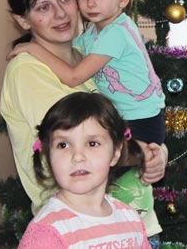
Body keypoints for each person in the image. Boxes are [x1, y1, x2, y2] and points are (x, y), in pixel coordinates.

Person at [0, 0, 167, 243]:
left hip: (133, 224)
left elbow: (127, 123)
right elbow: (79, 144)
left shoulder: (88, 56)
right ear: (23, 20)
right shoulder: (27, 70)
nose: (60, 13)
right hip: (74, 232)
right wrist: (144, 153)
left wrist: (158, 151)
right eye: (43, 7)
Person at [18, 92, 151, 249]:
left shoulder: (130, 219)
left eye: (92, 143)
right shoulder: (47, 232)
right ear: (48, 156)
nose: (77, 157)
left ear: (116, 152)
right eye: (63, 145)